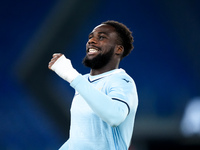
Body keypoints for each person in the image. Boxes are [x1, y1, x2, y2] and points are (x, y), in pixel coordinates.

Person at [48, 20, 138, 150]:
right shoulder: (82, 82)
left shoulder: (122, 81)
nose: (91, 41)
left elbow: (115, 116)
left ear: (118, 49)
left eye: (101, 37)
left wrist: (71, 75)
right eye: (90, 37)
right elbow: (80, 137)